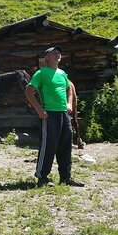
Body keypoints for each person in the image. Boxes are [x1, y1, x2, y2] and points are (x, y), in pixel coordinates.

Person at [25, 46, 84, 187]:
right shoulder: (41, 73)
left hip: (64, 114)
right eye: (54, 53)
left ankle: (66, 177)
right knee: (49, 145)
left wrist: (70, 103)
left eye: (59, 53)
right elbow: (28, 91)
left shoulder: (63, 74)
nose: (58, 54)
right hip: (49, 114)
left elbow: (69, 89)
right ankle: (42, 177)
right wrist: (39, 110)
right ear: (47, 58)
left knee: (65, 145)